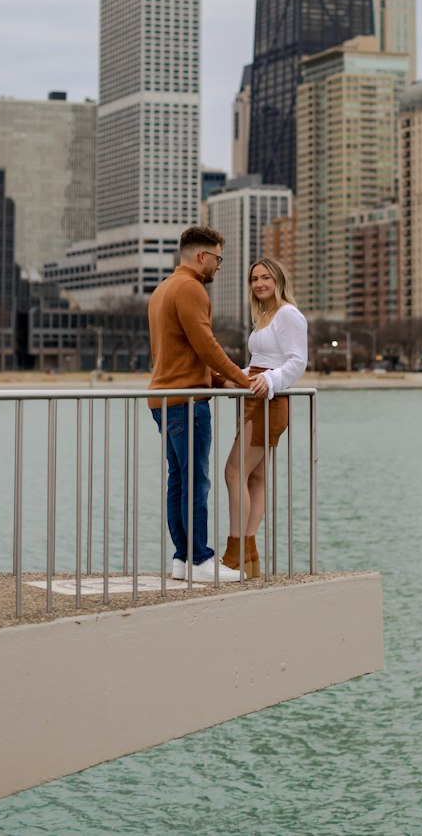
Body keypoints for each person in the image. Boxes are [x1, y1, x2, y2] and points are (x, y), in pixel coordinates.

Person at [148, 225, 257, 582]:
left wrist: (218, 379)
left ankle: (182, 559)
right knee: (197, 482)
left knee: (179, 480)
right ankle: (199, 560)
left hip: (163, 399)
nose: (219, 266)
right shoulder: (191, 289)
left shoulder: (162, 290)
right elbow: (206, 346)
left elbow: (180, 353)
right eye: (218, 258)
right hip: (187, 402)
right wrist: (245, 380)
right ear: (202, 256)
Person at [222, 257, 308, 579]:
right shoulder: (265, 316)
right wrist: (233, 376)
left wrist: (269, 381)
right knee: (254, 477)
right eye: (254, 279)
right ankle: (249, 553)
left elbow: (297, 362)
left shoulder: (288, 314)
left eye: (265, 278)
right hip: (255, 396)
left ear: (278, 280)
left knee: (234, 471)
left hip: (269, 401)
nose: (259, 284)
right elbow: (260, 362)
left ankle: (235, 554)